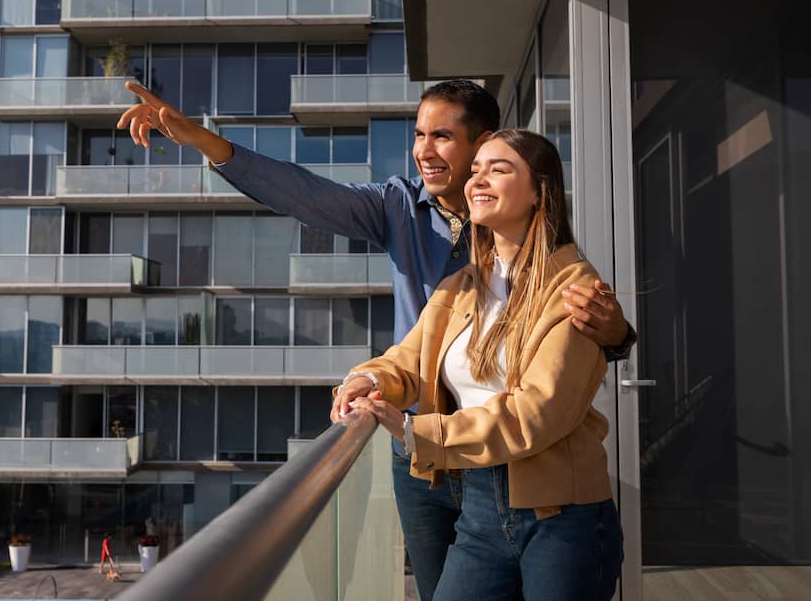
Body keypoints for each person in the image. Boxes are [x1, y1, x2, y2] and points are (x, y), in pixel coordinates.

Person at [117, 81, 634, 600]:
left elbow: (551, 379)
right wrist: (367, 379)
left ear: (487, 147)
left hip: (531, 481)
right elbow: (306, 197)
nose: (424, 151)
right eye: (419, 135)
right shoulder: (415, 224)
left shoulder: (557, 274)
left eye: (444, 138)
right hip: (430, 460)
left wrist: (617, 336)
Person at [333, 129, 624, 600]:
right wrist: (367, 379)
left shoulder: (575, 290)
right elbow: (408, 361)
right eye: (475, 170)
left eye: (499, 169)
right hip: (481, 508)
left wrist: (418, 433)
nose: (478, 180)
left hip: (563, 517)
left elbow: (538, 413)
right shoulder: (462, 286)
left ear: (539, 191)